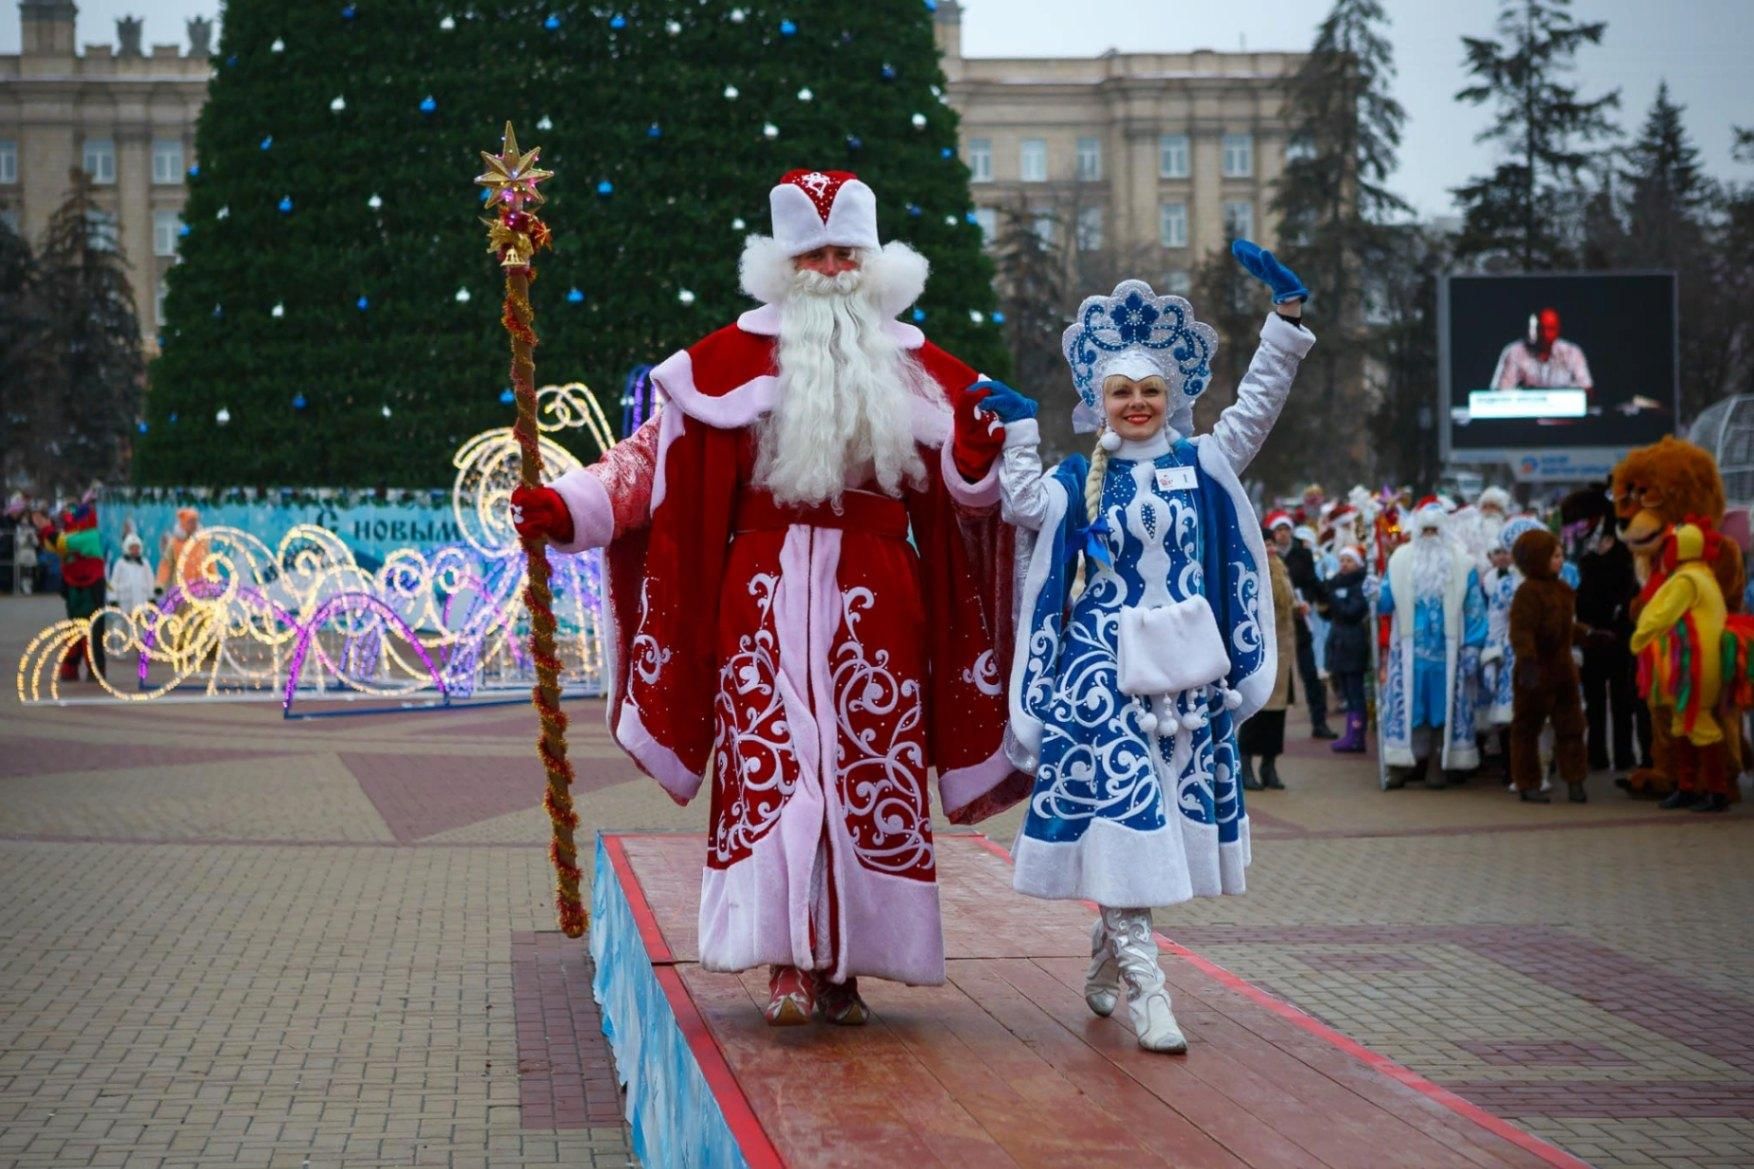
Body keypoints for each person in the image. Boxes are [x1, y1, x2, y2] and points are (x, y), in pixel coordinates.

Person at [509, 169, 1025, 1026]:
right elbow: (649, 464)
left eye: (845, 253)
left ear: (873, 260)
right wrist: (571, 504)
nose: (830, 268)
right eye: (813, 253)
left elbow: (975, 495)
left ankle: (847, 964)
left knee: (868, 769)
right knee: (770, 766)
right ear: (783, 264)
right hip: (762, 596)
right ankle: (784, 958)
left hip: (879, 603)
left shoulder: (923, 371)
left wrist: (987, 455)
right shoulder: (724, 364)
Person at [991, 244, 1313, 1053]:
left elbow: (1258, 408)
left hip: (1183, 680)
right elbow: (1023, 503)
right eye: (1121, 392)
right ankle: (1150, 992)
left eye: (1150, 391)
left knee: (1153, 822)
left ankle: (1108, 958)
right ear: (1099, 402)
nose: (1137, 403)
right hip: (1100, 679)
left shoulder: (1202, 460)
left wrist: (1285, 324)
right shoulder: (1075, 474)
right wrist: (1020, 426)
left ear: (1172, 398)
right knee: (1128, 814)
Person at [1377, 499, 1487, 788]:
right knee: (1407, 710)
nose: (1429, 538)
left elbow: (1475, 609)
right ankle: (1401, 764)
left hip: (1447, 654)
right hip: (1409, 652)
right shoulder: (1400, 560)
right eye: (1424, 531)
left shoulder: (1463, 564)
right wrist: (1375, 592)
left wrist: (1474, 645)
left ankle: (1438, 763)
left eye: (1433, 532)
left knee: (1442, 710)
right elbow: (1386, 602)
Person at [1631, 521, 1733, 813]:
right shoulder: (1704, 575)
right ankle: (1687, 787)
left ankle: (1716, 791)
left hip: (1696, 663)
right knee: (1682, 722)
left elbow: (1660, 615)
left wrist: (1638, 639)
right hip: (1696, 661)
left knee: (1697, 720)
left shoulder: (1686, 581)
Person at [1507, 528, 1588, 804]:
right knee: (1527, 729)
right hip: (1535, 672)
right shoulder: (1527, 593)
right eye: (1554, 555)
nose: (1560, 559)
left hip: (1563, 671)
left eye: (1561, 554)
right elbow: (1522, 631)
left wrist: (1588, 635)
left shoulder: (1564, 590)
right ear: (1537, 558)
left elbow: (1564, 628)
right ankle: (1527, 783)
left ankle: (1575, 781)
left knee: (1572, 727)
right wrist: (1528, 662)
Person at [1268, 510, 1336, 739]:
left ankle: (1319, 721)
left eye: (1286, 529)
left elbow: (1311, 581)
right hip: (1279, 624)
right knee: (1277, 677)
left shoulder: (1303, 554)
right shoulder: (1268, 557)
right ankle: (1272, 729)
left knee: (1310, 673)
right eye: (1279, 530)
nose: (1283, 534)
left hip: (1301, 621)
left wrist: (1317, 599)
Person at [1240, 534, 1299, 790]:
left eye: (1273, 543)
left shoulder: (1281, 570)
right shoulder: (1251, 569)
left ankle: (1270, 765)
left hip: (1283, 652)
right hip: (1261, 651)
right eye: (1265, 543)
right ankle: (1245, 766)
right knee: (1257, 711)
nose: (1271, 548)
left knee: (1277, 714)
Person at [37, 488, 106, 681]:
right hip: (74, 587)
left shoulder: (89, 535)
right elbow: (52, 544)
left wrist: (45, 527)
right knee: (74, 630)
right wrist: (44, 529)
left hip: (92, 588)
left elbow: (60, 543)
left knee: (93, 631)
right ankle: (70, 669)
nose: (68, 519)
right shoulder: (71, 535)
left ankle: (96, 671)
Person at [1322, 545, 1372, 753]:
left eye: (1349, 560)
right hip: (1340, 643)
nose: (1344, 564)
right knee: (1348, 692)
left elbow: (1350, 612)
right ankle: (1351, 734)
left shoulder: (1359, 585)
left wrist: (1333, 598)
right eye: (1342, 560)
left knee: (1355, 691)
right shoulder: (1338, 583)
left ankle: (1356, 736)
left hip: (1353, 643)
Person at [1491, 307, 1593, 402]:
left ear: (1558, 329)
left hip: (1564, 417)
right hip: (1524, 416)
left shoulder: (1572, 353)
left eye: (1550, 329)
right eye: (1540, 328)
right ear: (1532, 328)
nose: (1545, 334)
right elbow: (1500, 393)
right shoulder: (1514, 352)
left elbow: (1587, 389)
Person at [108, 533, 156, 617]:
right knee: (121, 625)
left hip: (141, 600)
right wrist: (113, 598)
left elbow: (150, 581)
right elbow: (113, 582)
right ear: (126, 548)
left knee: (140, 626)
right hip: (125, 602)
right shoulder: (120, 563)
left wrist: (151, 597)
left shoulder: (145, 563)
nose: (135, 550)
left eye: (137, 548)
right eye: (132, 548)